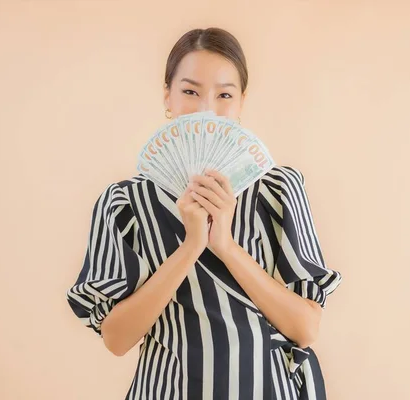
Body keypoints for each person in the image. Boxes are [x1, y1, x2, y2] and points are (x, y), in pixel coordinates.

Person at [66, 27, 342, 400]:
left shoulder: (277, 191)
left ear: (241, 101)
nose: (206, 109)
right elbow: (116, 339)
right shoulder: (126, 204)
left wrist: (225, 244)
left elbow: (306, 328)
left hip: (267, 388)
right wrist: (190, 246)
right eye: (190, 91)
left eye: (224, 94)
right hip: (167, 389)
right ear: (168, 94)